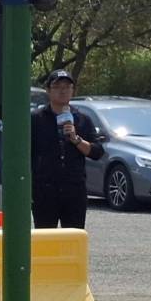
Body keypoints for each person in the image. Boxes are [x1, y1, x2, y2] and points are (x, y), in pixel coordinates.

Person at [31, 69, 104, 229]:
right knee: (45, 238)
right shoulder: (35, 119)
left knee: (73, 238)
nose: (62, 91)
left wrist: (76, 139)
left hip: (74, 191)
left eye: (67, 87)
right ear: (48, 90)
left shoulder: (82, 119)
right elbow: (26, 154)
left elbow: (97, 152)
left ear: (73, 91)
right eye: (57, 87)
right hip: (44, 191)